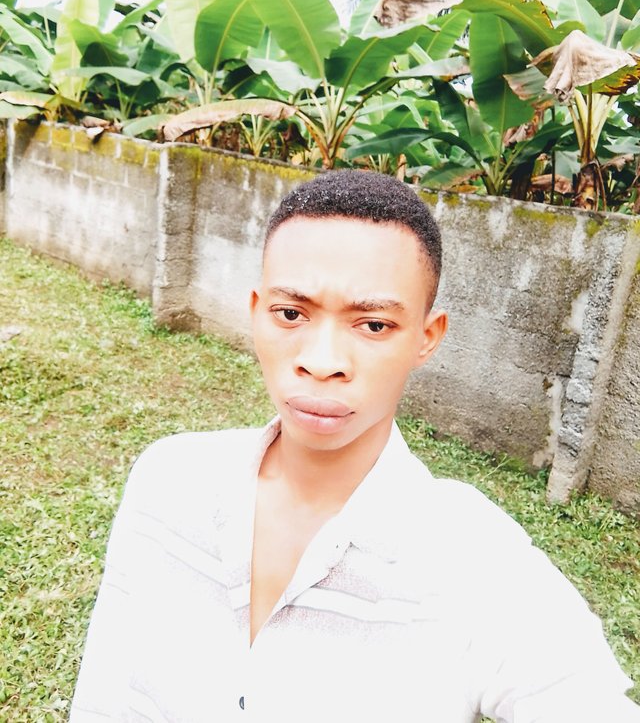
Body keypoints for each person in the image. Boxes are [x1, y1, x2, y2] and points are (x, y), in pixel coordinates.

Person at [70, 170, 639, 723]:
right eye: (290, 314)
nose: (322, 362)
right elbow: (106, 691)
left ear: (426, 338)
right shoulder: (168, 480)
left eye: (373, 325)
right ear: (256, 312)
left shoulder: (475, 561)